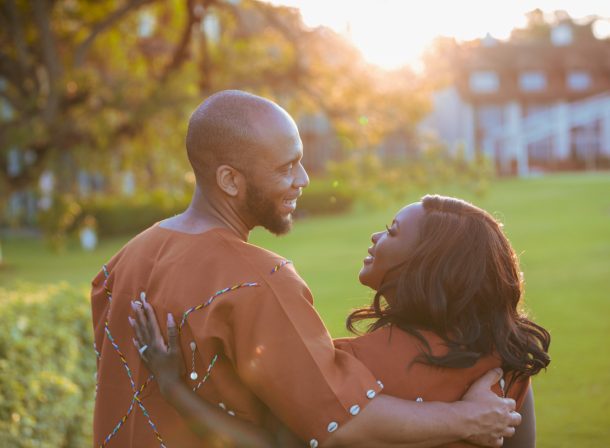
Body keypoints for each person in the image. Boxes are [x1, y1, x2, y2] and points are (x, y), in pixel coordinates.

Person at [92, 90, 519, 448]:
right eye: (285, 167)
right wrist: (469, 418)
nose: (304, 179)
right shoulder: (256, 281)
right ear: (229, 181)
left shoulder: (122, 262)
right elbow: (340, 422)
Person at [132, 195, 550, 448]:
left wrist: (172, 387)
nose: (375, 237)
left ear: (427, 265)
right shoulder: (506, 363)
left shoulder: (344, 365)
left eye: (391, 230)